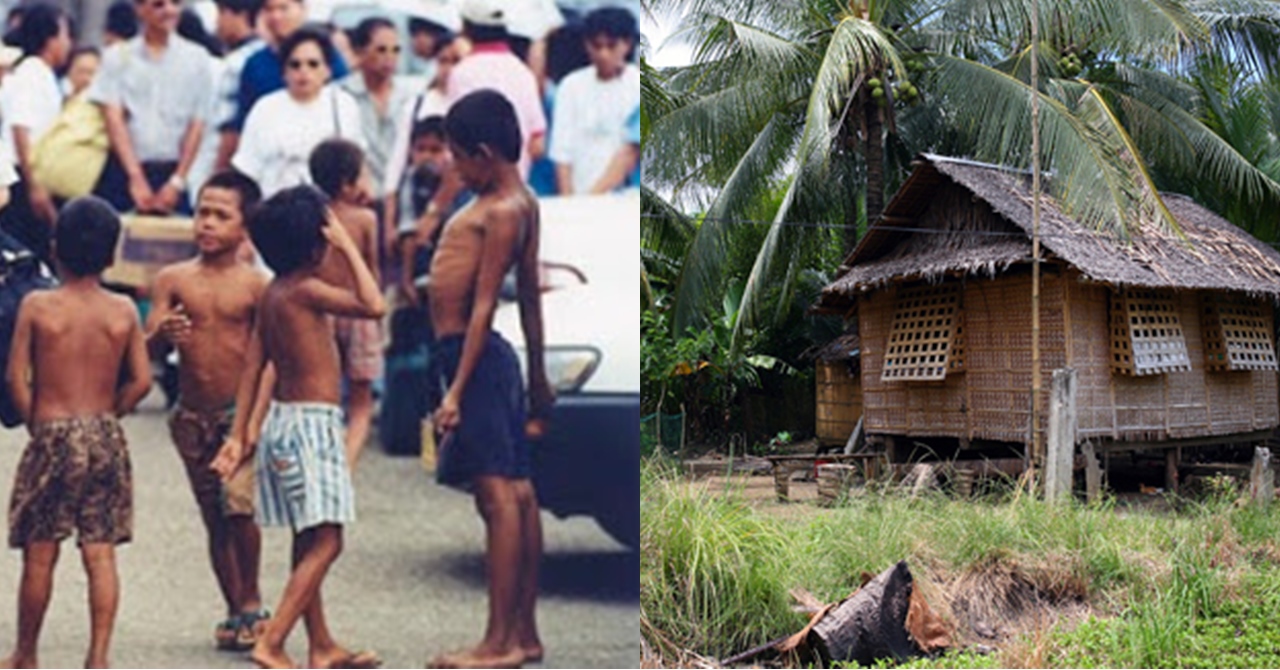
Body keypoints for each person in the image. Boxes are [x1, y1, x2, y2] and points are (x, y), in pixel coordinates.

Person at [211, 185, 385, 670]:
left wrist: (241, 432)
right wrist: (349, 246)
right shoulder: (306, 290)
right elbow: (374, 304)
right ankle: (273, 640)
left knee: (308, 540)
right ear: (316, 245)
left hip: (282, 424)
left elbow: (253, 365)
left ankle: (322, 644)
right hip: (312, 426)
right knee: (328, 541)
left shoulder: (273, 293)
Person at [424, 90, 553, 670]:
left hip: (471, 358)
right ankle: (523, 634)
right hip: (491, 362)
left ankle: (498, 643)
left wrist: (454, 390)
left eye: (456, 156)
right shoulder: (522, 201)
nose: (453, 167)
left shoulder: (498, 209)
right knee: (517, 495)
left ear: (480, 152)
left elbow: (485, 306)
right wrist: (539, 375)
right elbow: (527, 297)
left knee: (499, 497)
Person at [0, 196, 152, 669]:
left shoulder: (38, 306)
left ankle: (26, 654)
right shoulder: (124, 310)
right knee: (100, 554)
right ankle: (98, 657)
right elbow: (142, 380)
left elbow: (13, 378)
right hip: (103, 433)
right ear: (112, 256)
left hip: (53, 434)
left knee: (40, 555)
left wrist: (37, 424)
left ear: (53, 249)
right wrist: (112, 415)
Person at [145, 170, 271, 653]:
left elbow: (273, 360)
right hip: (192, 418)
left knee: (239, 508)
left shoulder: (258, 286)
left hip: (238, 416)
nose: (208, 224)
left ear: (246, 226)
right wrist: (161, 335)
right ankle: (235, 605)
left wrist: (255, 422)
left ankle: (254, 600)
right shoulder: (174, 279)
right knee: (213, 518)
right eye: (202, 212)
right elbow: (146, 350)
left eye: (222, 215)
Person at [89, 0, 215, 215]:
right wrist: (135, 177)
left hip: (173, 171)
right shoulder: (117, 57)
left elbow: (197, 124)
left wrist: (177, 181)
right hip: (123, 170)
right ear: (140, 9)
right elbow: (113, 119)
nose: (169, 11)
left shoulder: (198, 59)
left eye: (175, 3)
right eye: (159, 5)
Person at [309, 138, 382, 466]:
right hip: (358, 311)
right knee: (361, 404)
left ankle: (323, 460)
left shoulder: (312, 216)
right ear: (347, 182)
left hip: (321, 312)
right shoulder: (366, 219)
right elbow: (372, 270)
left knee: (324, 396)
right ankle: (346, 467)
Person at [232, 27, 365, 199]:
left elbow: (358, 163)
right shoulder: (265, 108)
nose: (304, 71)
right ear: (284, 71)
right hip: (274, 208)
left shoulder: (344, 105)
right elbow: (247, 169)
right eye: (295, 65)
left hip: (329, 209)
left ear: (327, 70)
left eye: (313, 64)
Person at [226, 0, 349, 164]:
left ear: (302, 10)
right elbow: (240, 127)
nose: (276, 16)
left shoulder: (328, 58)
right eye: (269, 9)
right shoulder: (255, 65)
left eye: (284, 8)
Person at [0, 2, 71, 259]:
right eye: (65, 34)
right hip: (22, 181)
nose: (68, 42)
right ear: (50, 39)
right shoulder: (32, 73)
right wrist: (35, 186)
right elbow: (20, 128)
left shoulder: (42, 74)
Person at [550, 7, 640, 195]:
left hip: (626, 197)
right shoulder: (571, 86)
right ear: (586, 45)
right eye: (596, 46)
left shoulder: (639, 86)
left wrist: (592, 198)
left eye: (611, 46)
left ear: (627, 44)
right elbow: (561, 151)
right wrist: (570, 202)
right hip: (579, 191)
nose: (603, 54)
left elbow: (630, 152)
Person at [340, 16, 415, 200]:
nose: (389, 58)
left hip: (402, 197)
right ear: (359, 51)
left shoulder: (411, 96)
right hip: (359, 196)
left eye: (396, 50)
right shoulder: (340, 95)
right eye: (381, 50)